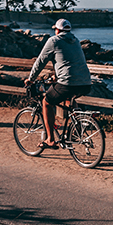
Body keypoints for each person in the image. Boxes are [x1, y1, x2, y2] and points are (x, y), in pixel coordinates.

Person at [23, 18, 92, 149]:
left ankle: (50, 140)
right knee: (69, 98)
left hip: (67, 83)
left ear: (57, 30)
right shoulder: (76, 41)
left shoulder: (53, 41)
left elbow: (40, 62)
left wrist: (31, 79)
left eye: (55, 29)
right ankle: (77, 127)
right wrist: (57, 76)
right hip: (86, 82)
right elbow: (71, 61)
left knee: (47, 103)